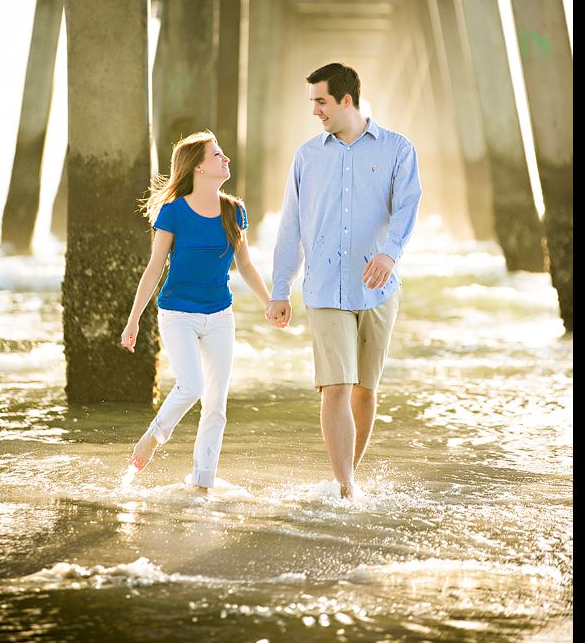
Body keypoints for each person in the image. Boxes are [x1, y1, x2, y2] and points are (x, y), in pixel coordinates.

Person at [266, 63, 422, 500]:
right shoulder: (307, 156)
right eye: (312, 101)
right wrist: (281, 289)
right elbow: (290, 227)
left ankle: (344, 479)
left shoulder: (397, 149)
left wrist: (391, 254)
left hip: (378, 289)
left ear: (346, 100)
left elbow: (409, 206)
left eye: (321, 101)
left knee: (364, 392)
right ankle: (346, 487)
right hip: (323, 288)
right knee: (335, 386)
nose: (315, 111)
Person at [121, 130, 271, 493]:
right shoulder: (173, 212)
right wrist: (133, 319)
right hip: (178, 314)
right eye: (217, 155)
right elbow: (155, 267)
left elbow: (246, 265)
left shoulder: (233, 211)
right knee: (191, 386)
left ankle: (202, 483)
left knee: (216, 404)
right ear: (199, 167)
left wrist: (270, 302)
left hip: (220, 315)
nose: (226, 159)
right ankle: (153, 437)